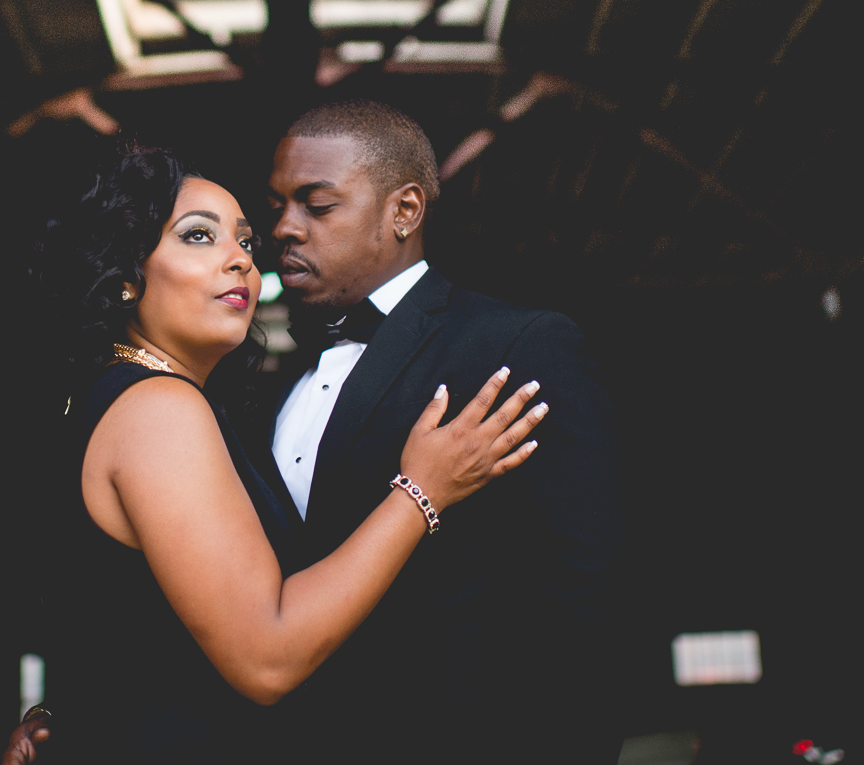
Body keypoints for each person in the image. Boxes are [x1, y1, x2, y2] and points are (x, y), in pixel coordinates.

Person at [6, 141, 547, 764]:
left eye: (243, 242)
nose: (239, 260)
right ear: (127, 275)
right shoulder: (159, 411)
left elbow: (101, 621)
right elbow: (267, 658)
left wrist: (55, 714)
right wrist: (423, 489)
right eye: (199, 237)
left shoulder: (109, 402)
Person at [258, 99, 621, 763]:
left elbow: (581, 596)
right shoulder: (272, 387)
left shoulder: (516, 344)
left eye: (316, 204)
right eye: (279, 204)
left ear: (404, 211)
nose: (283, 227)